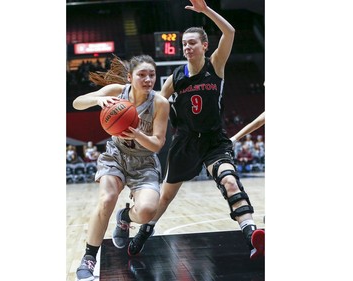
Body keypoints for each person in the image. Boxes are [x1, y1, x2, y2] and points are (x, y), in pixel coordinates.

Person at [129, 0, 264, 260]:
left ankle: (252, 235)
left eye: (192, 43)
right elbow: (154, 102)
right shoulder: (176, 78)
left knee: (229, 181)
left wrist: (206, 11)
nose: (187, 47)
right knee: (166, 197)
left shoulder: (216, 66)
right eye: (184, 44)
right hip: (185, 142)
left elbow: (230, 33)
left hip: (215, 140)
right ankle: (144, 231)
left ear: (204, 46)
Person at [72, 54, 170, 281]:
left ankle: (125, 216)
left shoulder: (160, 103)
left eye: (151, 75)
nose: (147, 79)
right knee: (107, 199)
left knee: (146, 212)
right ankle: (89, 257)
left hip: (144, 162)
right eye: (142, 75)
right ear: (130, 77)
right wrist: (97, 100)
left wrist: (136, 132)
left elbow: (156, 144)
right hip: (116, 156)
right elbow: (77, 103)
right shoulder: (117, 91)